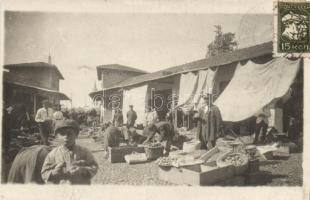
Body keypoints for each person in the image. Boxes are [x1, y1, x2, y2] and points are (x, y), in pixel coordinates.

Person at [41, 119, 98, 184]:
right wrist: (53, 173)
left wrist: (82, 170)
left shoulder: (84, 152)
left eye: (69, 133)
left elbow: (94, 166)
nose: (66, 137)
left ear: (76, 135)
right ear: (57, 137)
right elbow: (44, 173)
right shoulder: (52, 154)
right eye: (62, 134)